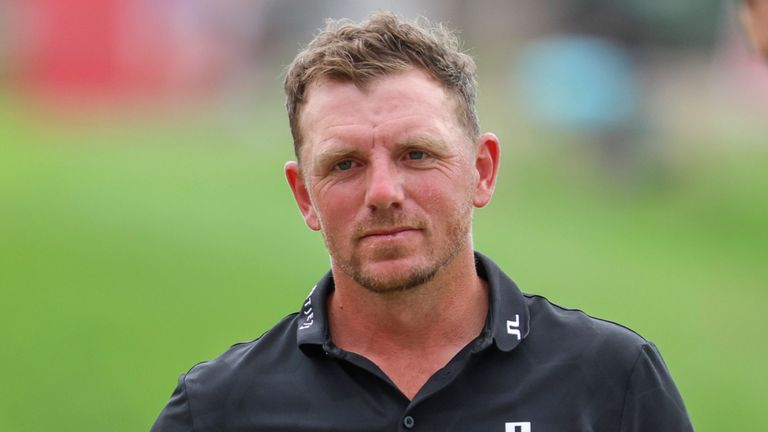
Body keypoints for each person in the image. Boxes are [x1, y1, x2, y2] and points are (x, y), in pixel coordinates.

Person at [151, 12, 693, 431]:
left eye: (415, 154)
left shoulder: (611, 378)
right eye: (345, 164)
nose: (383, 192)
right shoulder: (219, 408)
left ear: (482, 171)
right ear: (305, 196)